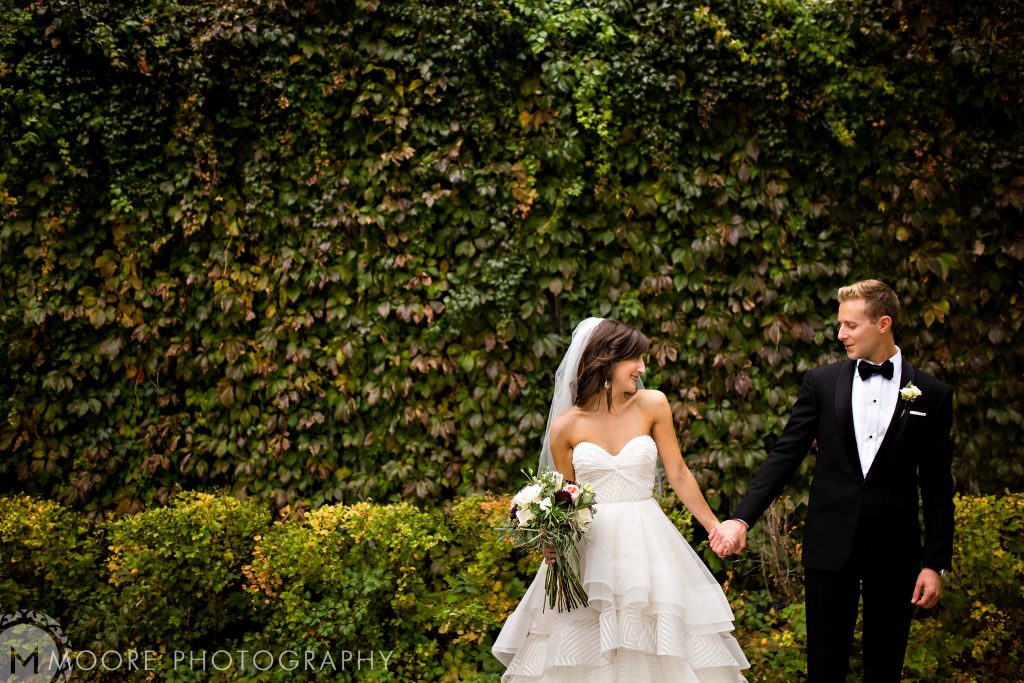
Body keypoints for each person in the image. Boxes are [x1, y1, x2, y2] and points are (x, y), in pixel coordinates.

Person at [710, 279, 955, 682]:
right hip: (829, 542)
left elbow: (937, 485)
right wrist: (742, 519)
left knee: (886, 664)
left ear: (883, 324)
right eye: (840, 324)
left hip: (895, 549)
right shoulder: (821, 382)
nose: (840, 334)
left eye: (850, 325)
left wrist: (935, 563)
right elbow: (785, 455)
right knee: (825, 664)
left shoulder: (931, 393)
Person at [492, 318, 749, 682]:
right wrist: (550, 541)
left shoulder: (653, 404)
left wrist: (713, 527)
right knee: (588, 651)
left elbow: (677, 472)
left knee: (659, 641)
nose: (642, 369)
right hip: (589, 550)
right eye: (635, 360)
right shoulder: (566, 425)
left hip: (648, 544)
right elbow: (565, 497)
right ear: (607, 361)